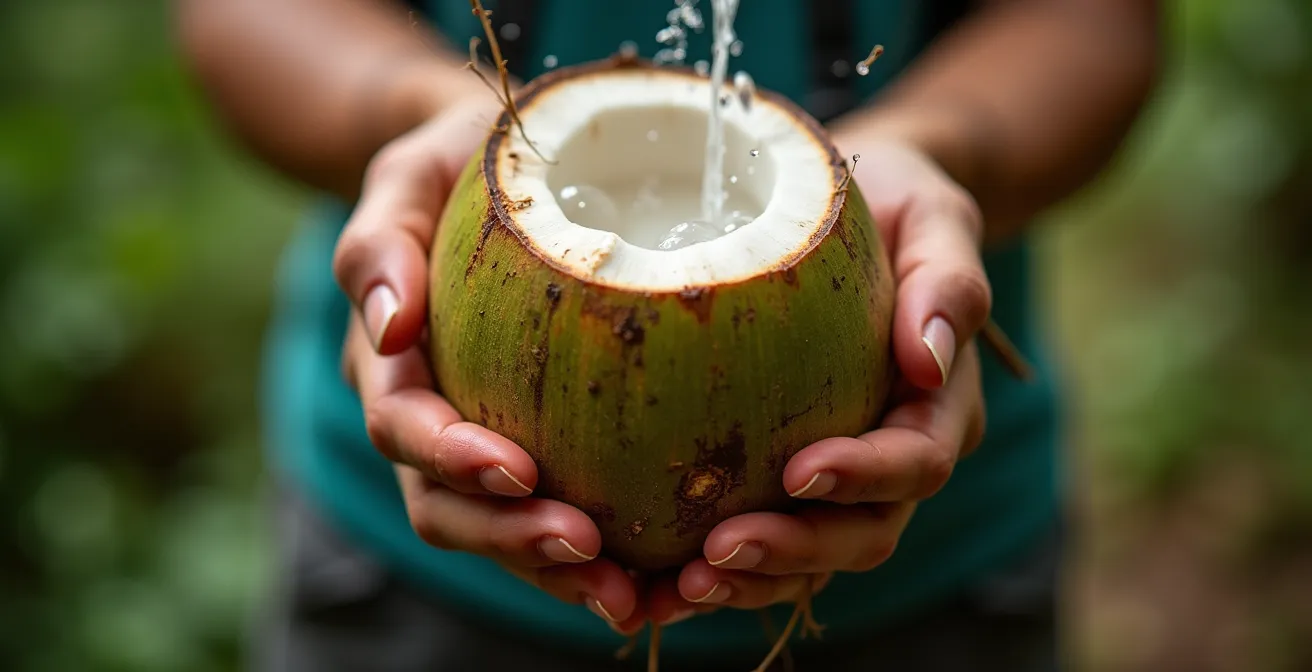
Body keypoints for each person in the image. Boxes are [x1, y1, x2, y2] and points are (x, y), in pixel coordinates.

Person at [177, 0, 1161, 669]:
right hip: (405, 561)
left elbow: (1096, 21)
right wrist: (417, 111)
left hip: (934, 569)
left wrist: (937, 146)